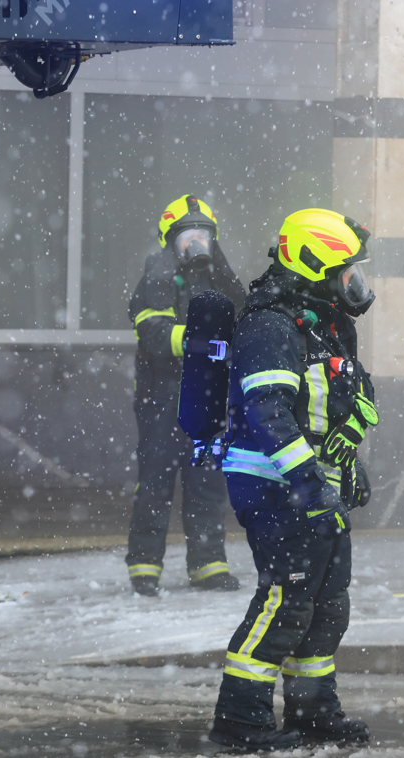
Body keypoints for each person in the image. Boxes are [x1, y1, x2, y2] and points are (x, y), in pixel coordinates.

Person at [209, 209, 377, 751]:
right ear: (315, 266)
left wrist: (346, 467)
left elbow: (337, 403)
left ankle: (312, 711)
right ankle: (240, 721)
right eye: (346, 271)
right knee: (286, 598)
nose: (355, 283)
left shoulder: (324, 321)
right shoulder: (272, 324)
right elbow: (269, 412)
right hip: (273, 483)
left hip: (312, 486)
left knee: (327, 603)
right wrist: (305, 480)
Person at [125, 194, 245, 596]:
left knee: (207, 483)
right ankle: (145, 567)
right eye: (188, 236)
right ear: (170, 240)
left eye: (204, 235)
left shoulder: (219, 278)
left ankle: (209, 565)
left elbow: (242, 318)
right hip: (163, 395)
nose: (197, 243)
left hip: (208, 396)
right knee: (155, 483)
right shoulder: (156, 277)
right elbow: (155, 335)